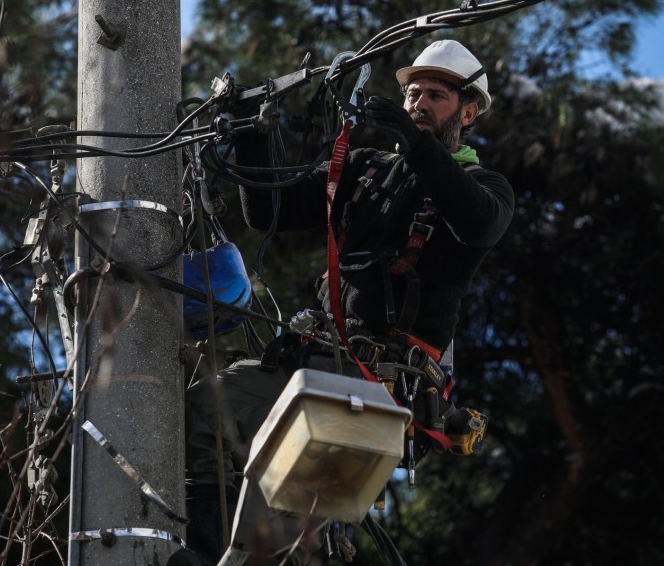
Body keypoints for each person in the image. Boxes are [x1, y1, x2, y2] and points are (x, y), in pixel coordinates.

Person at [184, 39, 515, 564]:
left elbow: (475, 222)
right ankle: (211, 550)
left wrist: (413, 141)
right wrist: (249, 128)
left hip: (378, 383)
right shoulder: (363, 169)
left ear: (468, 112)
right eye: (411, 95)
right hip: (312, 364)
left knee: (298, 494)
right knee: (203, 410)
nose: (418, 104)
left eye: (436, 96)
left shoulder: (483, 186)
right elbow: (270, 208)